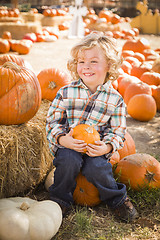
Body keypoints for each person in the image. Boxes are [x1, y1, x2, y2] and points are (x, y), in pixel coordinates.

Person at [46, 32, 139, 222]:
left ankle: (117, 199)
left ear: (109, 66)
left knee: (98, 168)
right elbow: (52, 122)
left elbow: (118, 131)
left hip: (96, 149)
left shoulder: (115, 99)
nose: (86, 66)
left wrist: (107, 147)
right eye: (81, 62)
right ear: (75, 65)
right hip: (70, 145)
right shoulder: (66, 92)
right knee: (67, 162)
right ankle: (59, 200)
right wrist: (64, 140)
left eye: (94, 61)